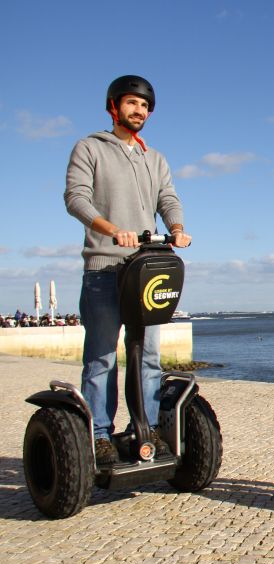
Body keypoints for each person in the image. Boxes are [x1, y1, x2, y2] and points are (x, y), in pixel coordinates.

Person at [63, 75, 191, 465]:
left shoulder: (154, 158)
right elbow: (75, 197)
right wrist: (110, 230)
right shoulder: (90, 148)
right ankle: (99, 436)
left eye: (145, 106)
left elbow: (167, 197)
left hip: (144, 271)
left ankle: (146, 430)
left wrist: (178, 228)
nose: (140, 111)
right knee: (101, 357)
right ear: (113, 106)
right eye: (132, 103)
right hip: (104, 269)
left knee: (149, 355)